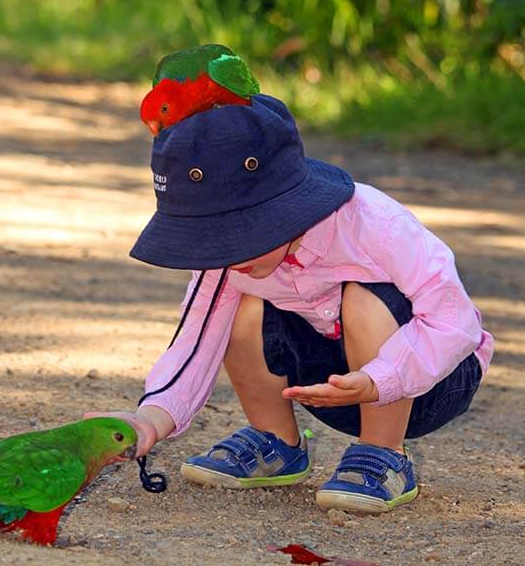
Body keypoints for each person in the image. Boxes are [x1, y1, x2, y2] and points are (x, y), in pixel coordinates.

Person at [85, 94, 492, 514]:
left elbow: (456, 324)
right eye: (206, 239)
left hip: (432, 379)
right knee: (237, 308)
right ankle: (276, 441)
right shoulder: (227, 262)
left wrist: (380, 379)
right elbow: (195, 342)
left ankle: (383, 453)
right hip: (330, 388)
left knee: (363, 299)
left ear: (285, 209)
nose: (224, 253)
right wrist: (149, 419)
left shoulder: (376, 226)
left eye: (233, 235)